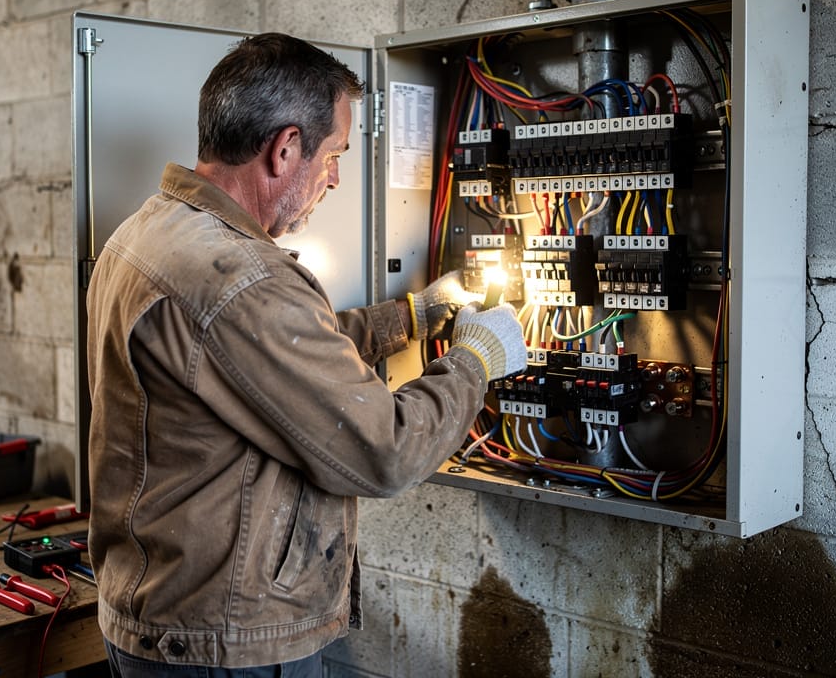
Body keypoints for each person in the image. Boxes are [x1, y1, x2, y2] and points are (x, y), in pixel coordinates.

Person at [85, 33, 526, 677]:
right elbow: (385, 451)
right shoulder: (241, 277)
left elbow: (263, 358)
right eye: (335, 153)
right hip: (224, 645)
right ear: (286, 147)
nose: (337, 177)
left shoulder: (149, 231)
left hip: (161, 618)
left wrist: (410, 318)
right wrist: (475, 361)